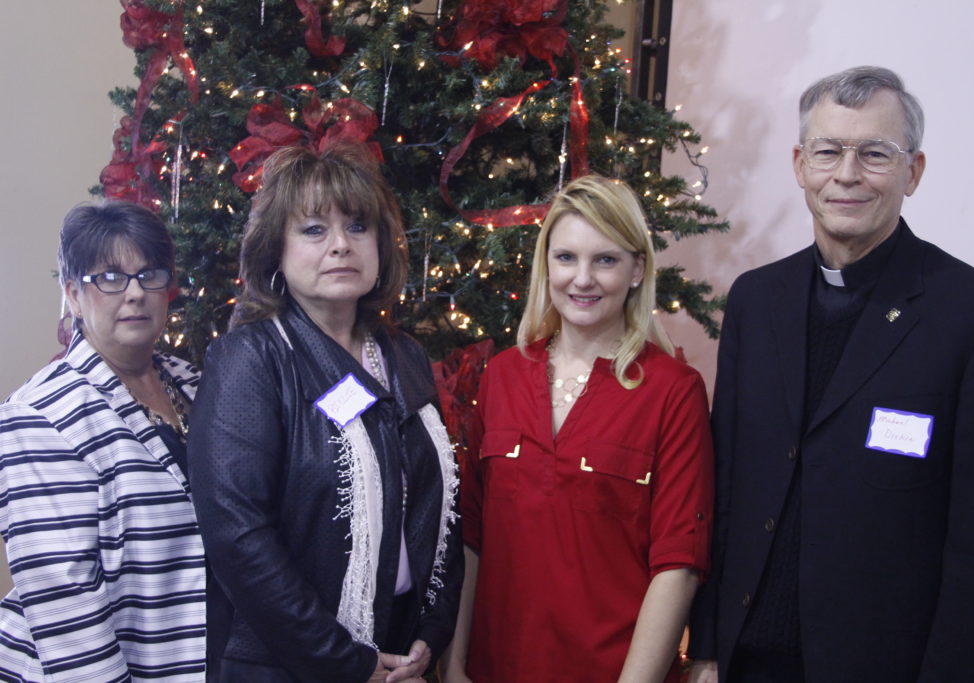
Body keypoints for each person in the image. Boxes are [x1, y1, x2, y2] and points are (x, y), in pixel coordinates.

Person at [687, 66, 974, 683]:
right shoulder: (755, 301)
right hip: (746, 661)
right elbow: (726, 492)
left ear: (913, 172)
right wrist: (705, 647)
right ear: (799, 165)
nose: (846, 174)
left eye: (874, 153)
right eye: (828, 151)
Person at [188, 143, 462, 682]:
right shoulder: (251, 359)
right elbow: (238, 537)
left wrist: (432, 633)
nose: (340, 245)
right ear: (276, 252)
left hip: (399, 655)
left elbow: (441, 504)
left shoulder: (402, 354)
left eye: (358, 227)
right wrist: (345, 662)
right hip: (287, 665)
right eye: (314, 230)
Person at [442, 175, 714, 683]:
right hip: (495, 668)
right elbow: (471, 537)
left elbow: (677, 564)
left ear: (637, 269)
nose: (582, 279)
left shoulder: (673, 391)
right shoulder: (502, 375)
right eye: (566, 257)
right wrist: (454, 665)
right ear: (546, 266)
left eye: (605, 260)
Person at [0, 201, 206, 680]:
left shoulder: (194, 383)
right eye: (109, 278)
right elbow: (66, 603)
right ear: (73, 295)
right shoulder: (38, 415)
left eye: (149, 275)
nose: (134, 293)